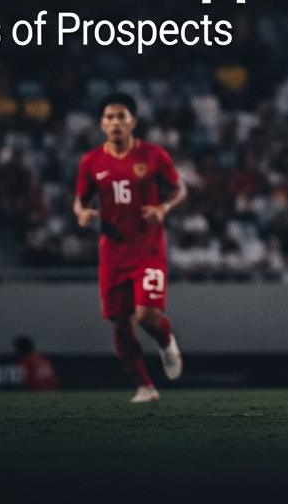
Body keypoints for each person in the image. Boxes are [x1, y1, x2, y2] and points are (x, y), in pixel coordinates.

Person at [74, 92, 187, 403]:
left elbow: (179, 189)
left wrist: (164, 208)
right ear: (101, 124)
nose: (115, 123)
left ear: (132, 122)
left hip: (147, 246)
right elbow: (80, 200)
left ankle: (166, 342)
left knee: (147, 315)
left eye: (121, 117)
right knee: (119, 322)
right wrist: (81, 213)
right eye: (109, 118)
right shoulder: (91, 162)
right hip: (113, 250)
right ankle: (145, 386)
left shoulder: (153, 155)